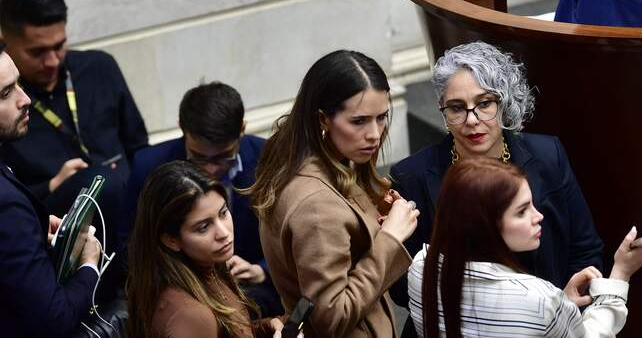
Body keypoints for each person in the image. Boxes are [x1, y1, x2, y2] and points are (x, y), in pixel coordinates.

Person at [390, 41, 604, 337]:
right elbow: (402, 286)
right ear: (442, 109)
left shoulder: (548, 155)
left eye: (484, 104)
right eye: (456, 108)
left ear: (505, 102)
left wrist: (558, 308)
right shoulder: (411, 176)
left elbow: (585, 248)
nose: (472, 120)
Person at [247, 50, 419, 337]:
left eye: (381, 117)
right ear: (323, 119)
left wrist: (370, 216)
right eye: (359, 121)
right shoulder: (315, 203)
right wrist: (390, 239)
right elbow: (332, 318)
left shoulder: (311, 162)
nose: (375, 133)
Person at [408, 157, 642, 337]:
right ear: (484, 225)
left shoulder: (420, 267)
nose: (539, 216)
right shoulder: (540, 299)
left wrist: (561, 306)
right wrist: (621, 273)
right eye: (522, 211)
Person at [120, 81, 281, 315]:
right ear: (182, 129)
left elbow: (289, 234)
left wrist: (262, 269)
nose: (211, 169)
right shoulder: (149, 166)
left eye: (224, 157)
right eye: (198, 157)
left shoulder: (269, 158)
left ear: (242, 129)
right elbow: (132, 247)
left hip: (255, 289)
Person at [0, 0, 148, 218]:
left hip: (131, 207)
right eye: (37, 52)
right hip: (54, 218)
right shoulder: (6, 102)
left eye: (59, 46)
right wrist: (50, 186)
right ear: (5, 41)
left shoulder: (100, 67)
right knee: (98, 182)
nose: (52, 61)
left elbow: (139, 148)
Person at [0, 38, 103, 337]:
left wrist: (31, 231)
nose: (25, 99)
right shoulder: (6, 206)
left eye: (18, 84)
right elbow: (55, 319)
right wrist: (88, 266)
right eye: (6, 92)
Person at [125, 160, 286, 338]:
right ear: (171, 240)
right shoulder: (191, 316)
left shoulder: (207, 265)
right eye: (204, 227)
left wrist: (264, 329)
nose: (223, 233)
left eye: (223, 213)